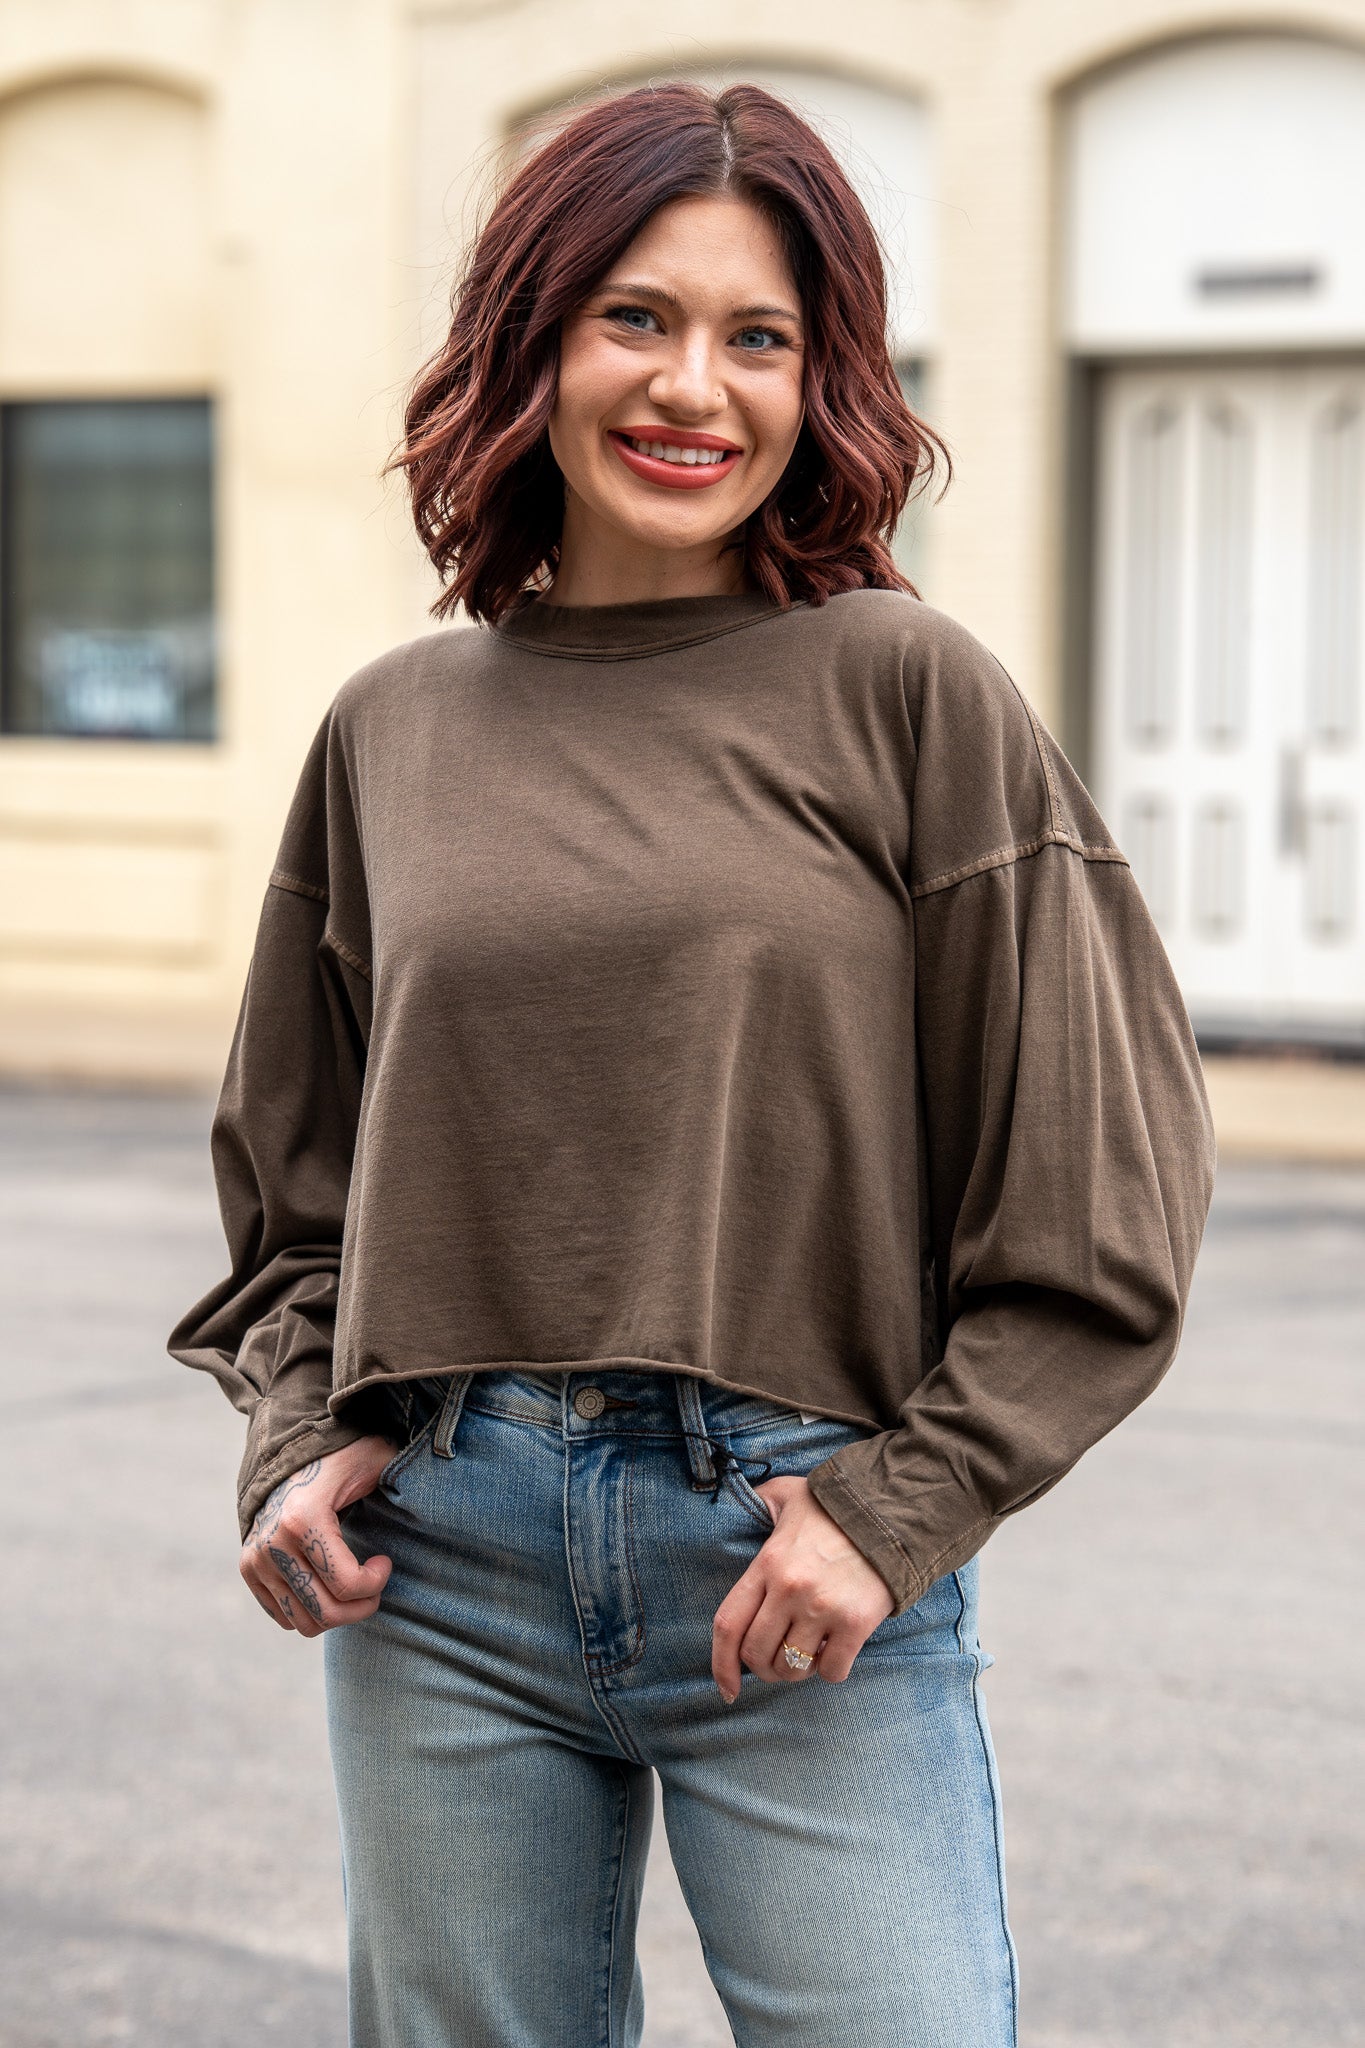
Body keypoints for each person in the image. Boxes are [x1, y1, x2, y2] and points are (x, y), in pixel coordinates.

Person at [168, 80, 1216, 2048]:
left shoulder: (906, 694)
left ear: (821, 383)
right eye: (634, 316)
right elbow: (298, 1192)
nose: (694, 389)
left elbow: (1101, 1204)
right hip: (442, 1573)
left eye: (762, 337)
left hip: (802, 1549)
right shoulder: (391, 731)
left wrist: (894, 1511)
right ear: (530, 338)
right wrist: (301, 1433)